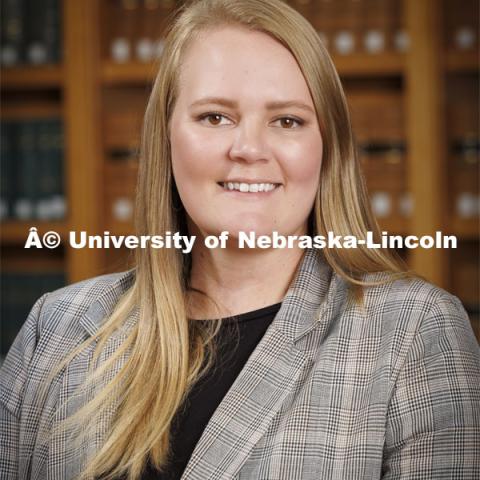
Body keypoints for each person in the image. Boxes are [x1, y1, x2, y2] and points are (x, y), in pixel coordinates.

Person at [1, 0, 479, 479]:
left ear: (326, 146)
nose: (249, 149)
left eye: (287, 120)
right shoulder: (57, 329)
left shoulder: (415, 332)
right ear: (165, 138)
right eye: (215, 117)